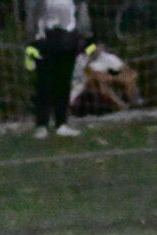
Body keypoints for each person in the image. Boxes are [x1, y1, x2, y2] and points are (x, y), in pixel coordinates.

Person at [25, 0, 91, 138]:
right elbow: (32, 15)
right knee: (44, 83)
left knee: (64, 82)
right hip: (45, 39)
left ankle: (61, 123)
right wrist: (32, 38)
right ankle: (41, 124)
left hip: (68, 39)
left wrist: (82, 35)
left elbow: (81, 11)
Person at [69, 45, 142, 116]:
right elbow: (93, 75)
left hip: (105, 84)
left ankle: (135, 105)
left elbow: (130, 72)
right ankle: (122, 107)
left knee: (129, 79)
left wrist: (126, 76)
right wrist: (117, 78)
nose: (97, 49)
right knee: (100, 83)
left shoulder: (108, 57)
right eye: (93, 47)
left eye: (98, 46)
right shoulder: (81, 59)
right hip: (82, 89)